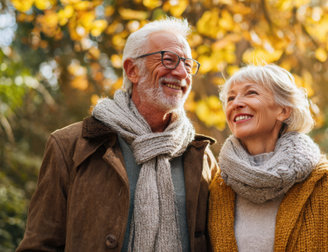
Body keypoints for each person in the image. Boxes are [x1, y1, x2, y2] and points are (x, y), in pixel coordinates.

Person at [16, 17, 217, 252]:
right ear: (132, 70)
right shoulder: (70, 145)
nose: (182, 73)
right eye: (169, 60)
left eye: (188, 65)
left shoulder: (201, 157)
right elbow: (40, 245)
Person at [208, 64, 328, 251]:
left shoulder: (320, 182)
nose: (236, 103)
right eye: (230, 98)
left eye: (251, 93)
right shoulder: (219, 187)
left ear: (283, 110)